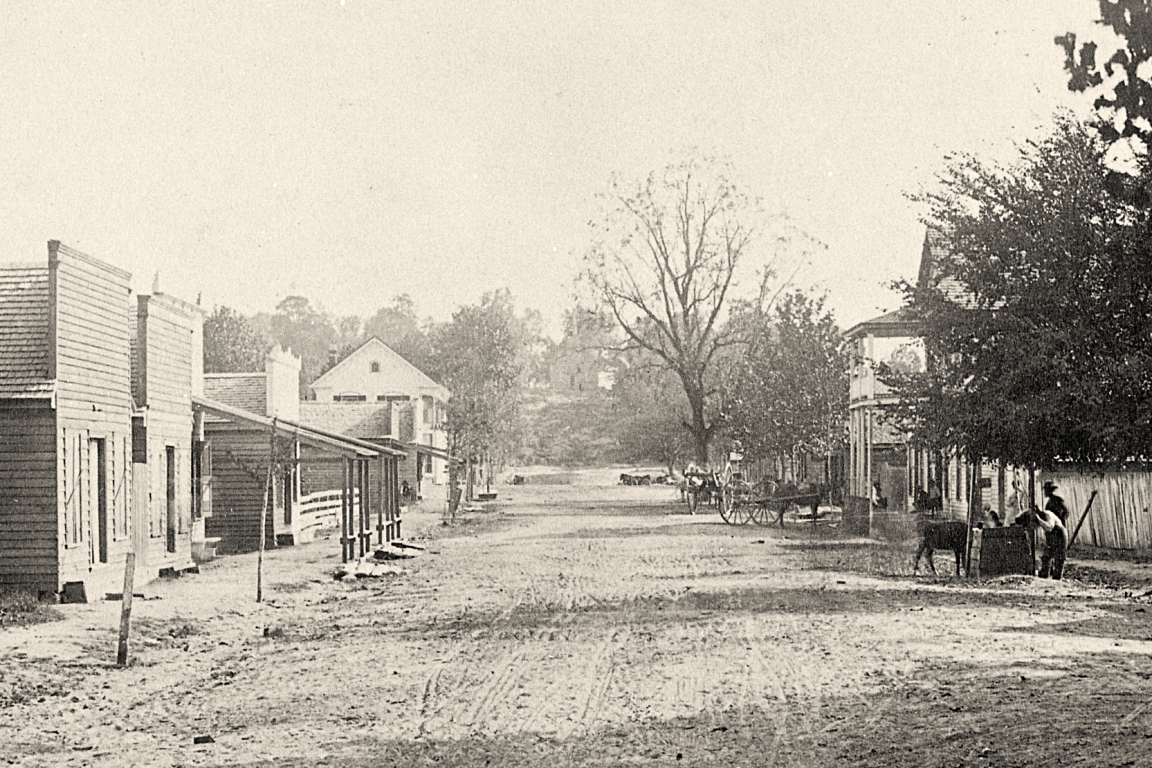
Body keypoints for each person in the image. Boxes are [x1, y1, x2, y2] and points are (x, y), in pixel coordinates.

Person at [1034, 504, 1068, 580]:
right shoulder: (1041, 518)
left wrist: (1039, 520)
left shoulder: (1048, 514)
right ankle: (1044, 575)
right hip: (1051, 536)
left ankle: (1057, 578)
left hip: (1060, 534)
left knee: (1059, 557)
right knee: (1046, 556)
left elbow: (1049, 527)